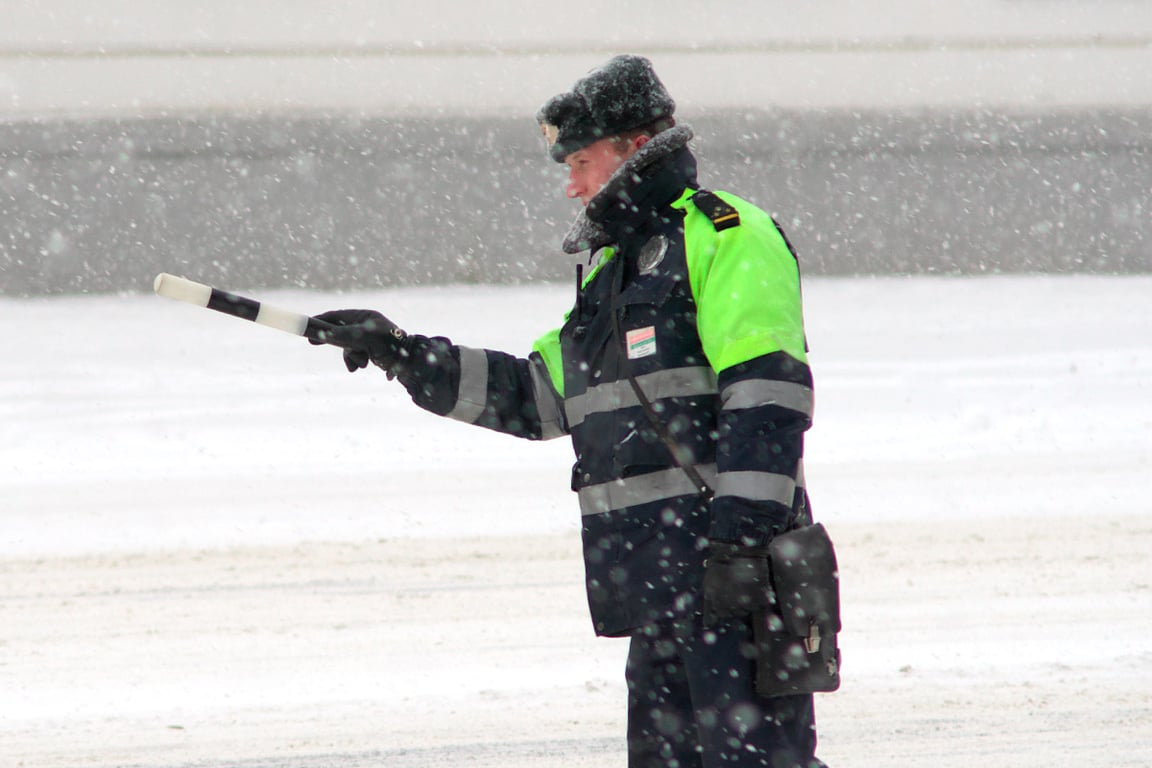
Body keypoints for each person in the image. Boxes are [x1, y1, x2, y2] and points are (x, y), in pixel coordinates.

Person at [313, 54, 828, 768]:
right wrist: (404, 354)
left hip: (729, 580)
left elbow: (768, 398)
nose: (571, 184)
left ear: (631, 149)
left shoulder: (728, 235)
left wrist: (741, 549)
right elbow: (539, 397)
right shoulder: (613, 270)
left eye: (581, 160)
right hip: (658, 588)